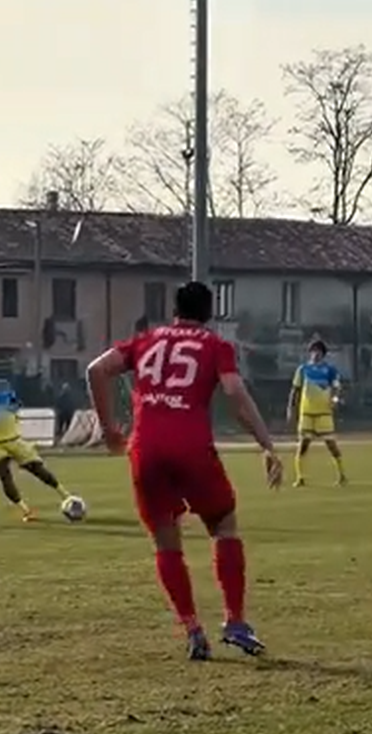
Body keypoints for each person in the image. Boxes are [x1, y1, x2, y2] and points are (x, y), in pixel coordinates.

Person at [85, 280, 283, 661]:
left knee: (165, 539)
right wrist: (266, 444)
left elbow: (96, 370)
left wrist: (108, 427)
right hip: (190, 446)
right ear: (209, 313)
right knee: (223, 525)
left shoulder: (145, 340)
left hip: (146, 448)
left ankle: (193, 629)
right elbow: (235, 395)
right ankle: (235, 621)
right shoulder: (214, 346)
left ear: (174, 310)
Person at [0, 364, 78, 522]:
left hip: (14, 438)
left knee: (38, 469)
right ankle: (26, 511)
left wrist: (13, 409)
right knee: (5, 475)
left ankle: (67, 496)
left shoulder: (5, 387)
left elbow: (15, 404)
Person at [287, 339, 347, 487]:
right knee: (303, 445)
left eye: (318, 351)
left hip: (324, 413)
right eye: (313, 351)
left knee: (331, 444)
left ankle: (342, 475)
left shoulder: (330, 370)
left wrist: (335, 399)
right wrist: (290, 408)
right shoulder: (303, 369)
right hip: (307, 413)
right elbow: (295, 390)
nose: (315, 354)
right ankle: (300, 477)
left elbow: (337, 387)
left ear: (323, 354)